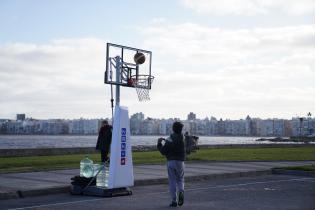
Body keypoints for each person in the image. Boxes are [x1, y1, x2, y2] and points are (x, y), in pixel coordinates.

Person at [157, 121, 186, 207]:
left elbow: (163, 151)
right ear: (181, 129)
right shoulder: (183, 138)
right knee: (180, 179)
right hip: (180, 162)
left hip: (171, 162)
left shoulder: (169, 139)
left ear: (173, 129)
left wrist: (159, 143)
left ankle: (174, 201)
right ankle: (181, 191)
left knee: (172, 181)